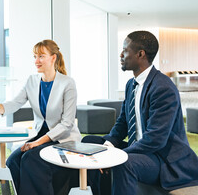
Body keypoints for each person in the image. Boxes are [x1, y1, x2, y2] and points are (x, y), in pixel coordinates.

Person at [83, 31, 198, 195]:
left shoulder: (163, 87)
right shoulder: (131, 84)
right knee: (91, 142)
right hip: (140, 149)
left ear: (140, 54)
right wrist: (107, 147)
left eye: (125, 50)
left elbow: (155, 139)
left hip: (162, 157)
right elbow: (122, 122)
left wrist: (116, 155)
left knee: (123, 163)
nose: (121, 55)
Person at [0, 39, 81, 195]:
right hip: (39, 135)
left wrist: (37, 142)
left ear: (53, 58)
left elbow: (67, 124)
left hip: (62, 138)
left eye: (41, 56)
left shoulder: (67, 83)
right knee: (13, 161)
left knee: (30, 159)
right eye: (35, 56)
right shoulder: (32, 81)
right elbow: (14, 103)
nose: (36, 61)